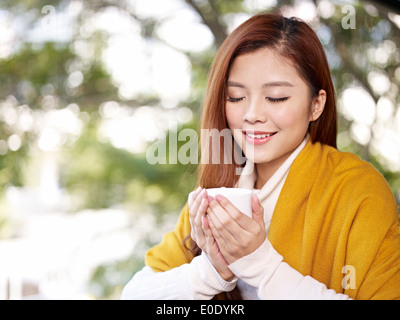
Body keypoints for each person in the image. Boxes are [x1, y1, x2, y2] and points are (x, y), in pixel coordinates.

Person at [121, 12, 400, 300]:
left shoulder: (357, 190)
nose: (252, 115)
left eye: (276, 97)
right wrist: (211, 271)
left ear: (316, 104)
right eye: (236, 97)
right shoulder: (221, 189)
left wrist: (262, 266)